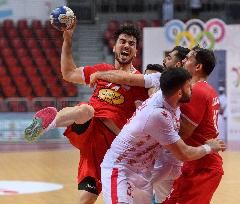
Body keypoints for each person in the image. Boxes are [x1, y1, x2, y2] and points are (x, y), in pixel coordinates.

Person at [24, 24, 149, 204]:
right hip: (89, 129)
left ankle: (52, 120)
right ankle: (48, 123)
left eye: (131, 43)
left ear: (136, 51)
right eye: (122, 41)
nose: (126, 45)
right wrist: (67, 39)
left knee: (86, 200)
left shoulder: (140, 82)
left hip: (111, 148)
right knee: (86, 109)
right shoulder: (102, 69)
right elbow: (68, 73)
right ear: (114, 47)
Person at [89, 46, 224, 204]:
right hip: (128, 167)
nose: (183, 61)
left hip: (189, 165)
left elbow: (184, 136)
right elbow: (130, 79)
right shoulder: (161, 110)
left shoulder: (187, 95)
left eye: (187, 58)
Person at [163, 46, 223, 204]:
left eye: (188, 58)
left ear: (198, 67)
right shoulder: (205, 90)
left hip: (202, 168)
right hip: (192, 163)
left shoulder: (197, 91)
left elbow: (184, 132)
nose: (183, 61)